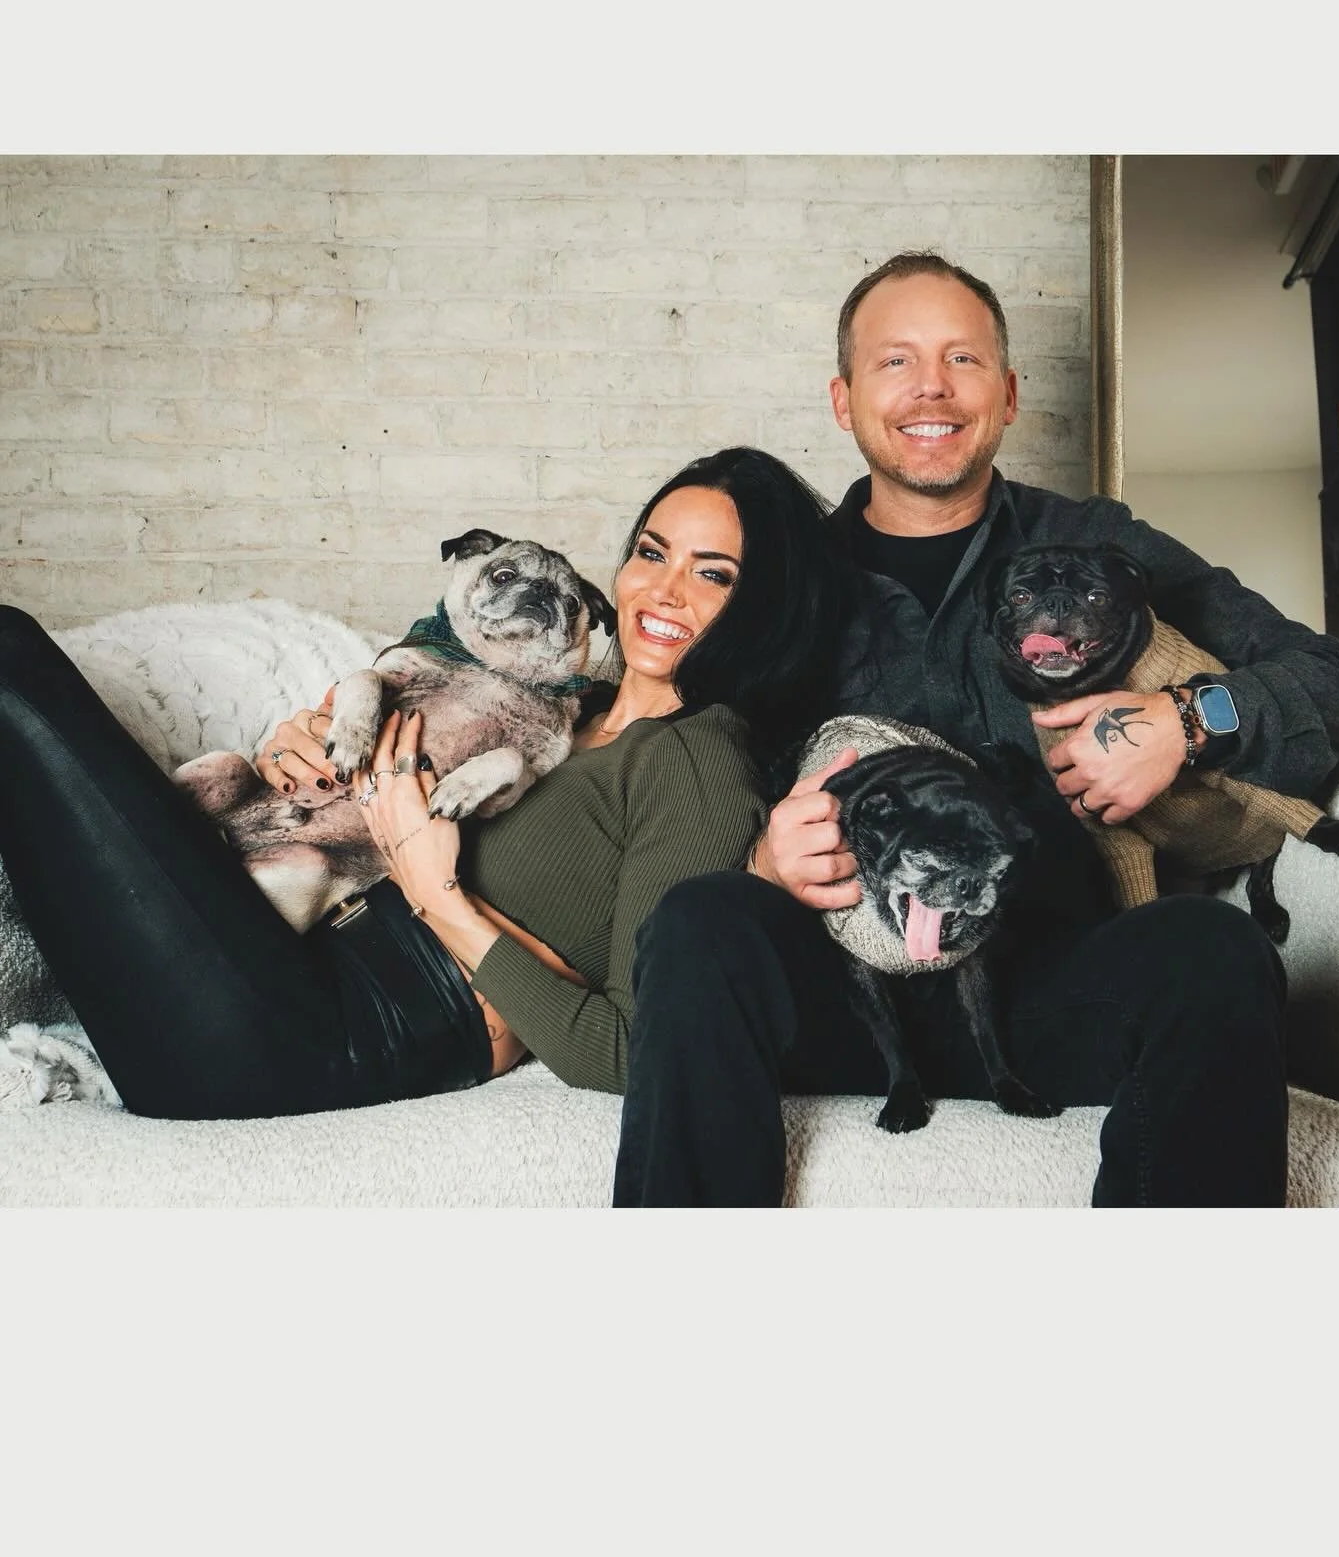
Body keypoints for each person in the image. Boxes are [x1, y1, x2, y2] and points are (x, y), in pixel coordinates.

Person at [611, 253, 1339, 1207]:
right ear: (843, 398)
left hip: (1049, 989)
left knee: (1213, 952)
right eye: (895, 362)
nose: (931, 388)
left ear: (1010, 393)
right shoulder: (785, 576)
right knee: (698, 924)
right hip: (850, 993)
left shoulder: (1101, 546)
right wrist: (764, 865)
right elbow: (674, 729)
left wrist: (1187, 722)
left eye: (963, 360)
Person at [0, 446, 847, 1119]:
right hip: (269, 939)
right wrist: (299, 747)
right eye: (652, 552)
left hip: (317, 1035)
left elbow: (631, 1050)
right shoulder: (552, 704)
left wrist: (433, 885)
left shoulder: (699, 756)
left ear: (765, 605)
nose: (663, 590)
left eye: (714, 573)